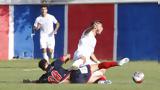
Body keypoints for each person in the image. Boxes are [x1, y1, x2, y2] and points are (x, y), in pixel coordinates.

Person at [23, 55, 129, 84]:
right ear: (47, 63)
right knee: (100, 67)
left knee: (91, 79)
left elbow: (37, 81)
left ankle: (101, 82)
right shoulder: (55, 64)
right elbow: (66, 56)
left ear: (42, 69)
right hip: (75, 72)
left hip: (75, 81)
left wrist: (29, 81)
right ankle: (117, 63)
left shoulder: (44, 78)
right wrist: (67, 58)